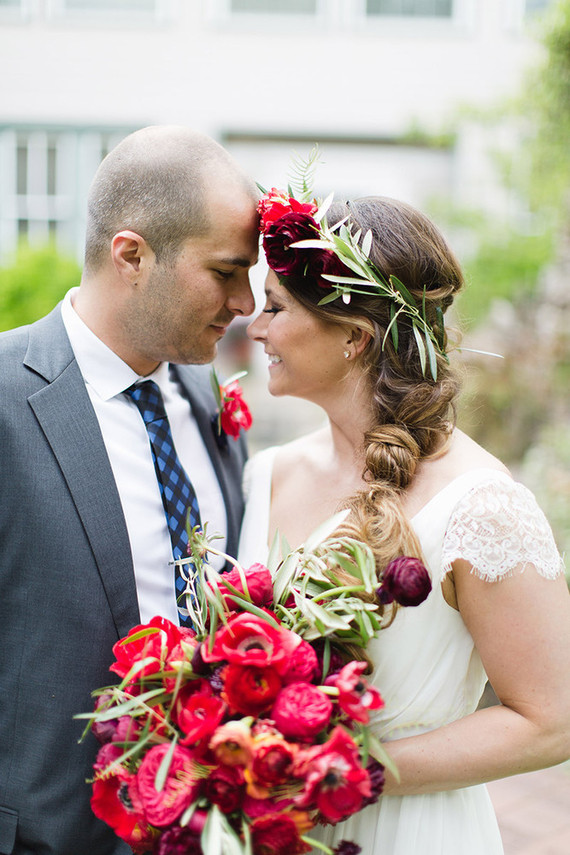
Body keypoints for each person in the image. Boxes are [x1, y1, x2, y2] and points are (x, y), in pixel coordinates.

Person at [238, 190, 570, 855]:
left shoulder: (482, 505)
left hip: (411, 832)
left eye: (276, 306)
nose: (255, 326)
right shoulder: (264, 473)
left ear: (355, 338)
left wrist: (351, 773)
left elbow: (552, 719)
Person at [0, 125, 259, 855]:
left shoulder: (208, 399)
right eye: (226, 271)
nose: (244, 300)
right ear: (132, 255)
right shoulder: (5, 396)